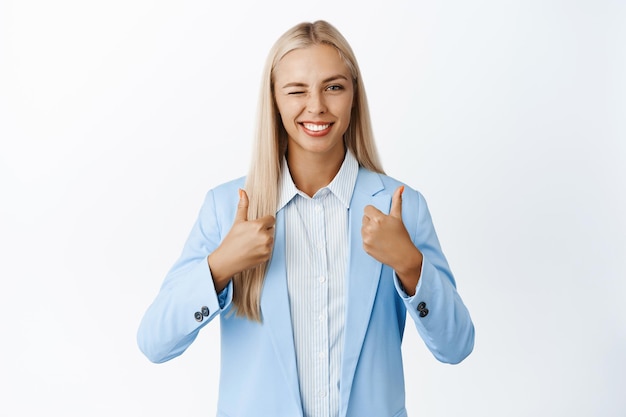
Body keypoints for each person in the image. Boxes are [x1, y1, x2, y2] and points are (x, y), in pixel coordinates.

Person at [137, 20, 474, 417]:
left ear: (353, 97)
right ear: (275, 100)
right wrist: (220, 267)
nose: (316, 106)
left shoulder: (401, 207)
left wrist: (410, 266)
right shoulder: (227, 208)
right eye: (296, 90)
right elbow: (154, 343)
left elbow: (457, 346)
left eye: (334, 87)